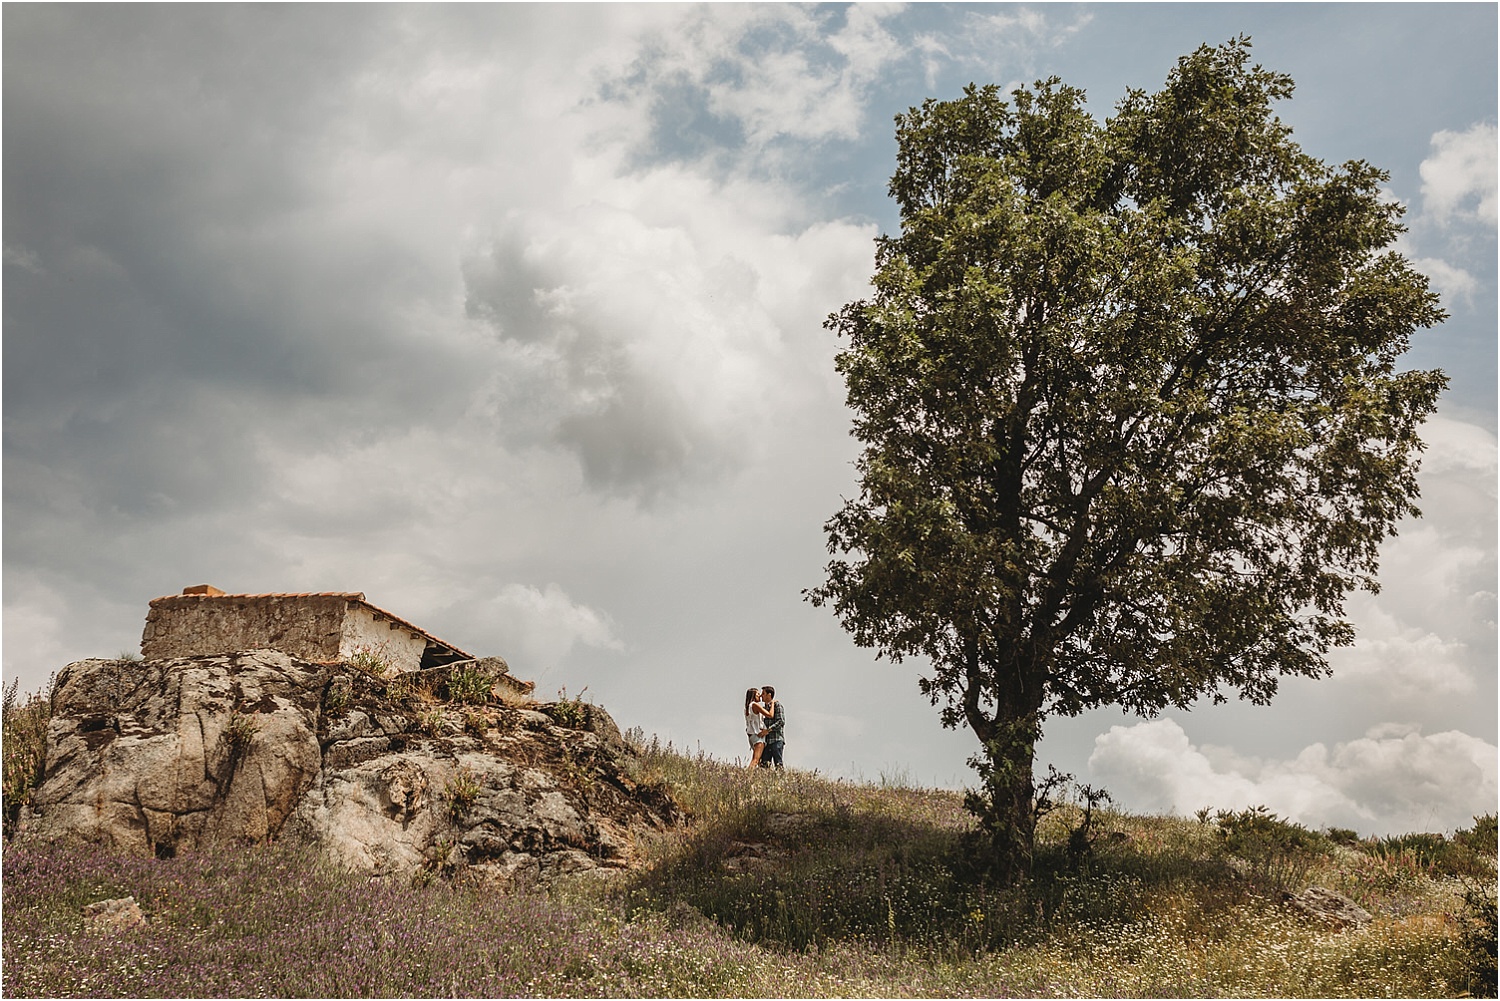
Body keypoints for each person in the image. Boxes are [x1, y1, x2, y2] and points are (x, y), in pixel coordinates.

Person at [757, 685, 784, 769]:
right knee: (764, 765)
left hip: (776, 740)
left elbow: (781, 721)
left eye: (763, 693)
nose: (761, 696)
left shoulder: (777, 705)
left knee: (778, 764)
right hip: (767, 741)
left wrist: (768, 731)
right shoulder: (764, 709)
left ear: (769, 695)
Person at [744, 687, 771, 768]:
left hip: (751, 735)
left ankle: (755, 776)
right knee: (755, 760)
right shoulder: (754, 705)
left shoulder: (747, 707)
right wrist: (772, 703)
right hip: (757, 734)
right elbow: (769, 714)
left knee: (758, 760)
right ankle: (747, 776)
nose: (759, 696)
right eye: (757, 694)